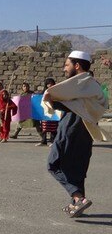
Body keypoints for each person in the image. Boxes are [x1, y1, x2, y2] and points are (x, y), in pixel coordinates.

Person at [42, 51, 109, 217]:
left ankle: (79, 198)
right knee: (77, 169)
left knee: (54, 164)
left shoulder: (77, 85)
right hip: (87, 130)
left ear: (77, 65)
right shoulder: (93, 85)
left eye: (67, 65)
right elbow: (84, 106)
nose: (64, 69)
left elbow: (73, 107)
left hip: (71, 128)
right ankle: (76, 205)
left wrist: (51, 99)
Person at [36, 78, 58, 146]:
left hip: (53, 111)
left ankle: (53, 141)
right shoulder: (44, 92)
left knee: (53, 127)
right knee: (44, 127)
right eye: (48, 84)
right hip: (45, 112)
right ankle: (44, 141)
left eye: (51, 83)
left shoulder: (56, 91)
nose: (50, 85)